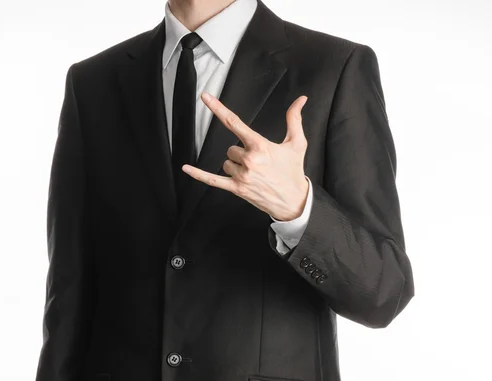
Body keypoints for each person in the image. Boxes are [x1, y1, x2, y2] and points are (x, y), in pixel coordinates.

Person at [35, 0, 415, 380]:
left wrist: (298, 209)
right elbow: (68, 294)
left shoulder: (335, 67)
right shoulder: (93, 82)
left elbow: (384, 293)